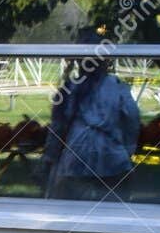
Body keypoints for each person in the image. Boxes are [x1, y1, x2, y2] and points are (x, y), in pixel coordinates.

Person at [44, 34, 141, 201]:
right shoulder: (117, 87)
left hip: (77, 158)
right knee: (113, 214)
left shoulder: (69, 89)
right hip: (111, 158)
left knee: (71, 213)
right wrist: (128, 148)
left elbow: (57, 128)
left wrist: (50, 157)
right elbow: (132, 119)